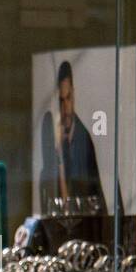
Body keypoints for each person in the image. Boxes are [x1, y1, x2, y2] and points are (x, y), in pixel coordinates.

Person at [39, 60, 107, 215]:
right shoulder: (55, 139)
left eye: (68, 98)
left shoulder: (83, 139)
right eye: (61, 101)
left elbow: (90, 193)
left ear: (74, 94)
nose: (66, 108)